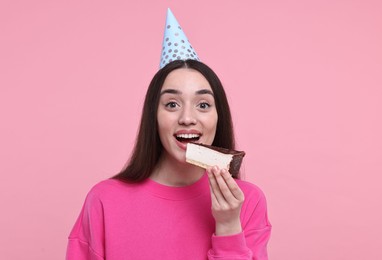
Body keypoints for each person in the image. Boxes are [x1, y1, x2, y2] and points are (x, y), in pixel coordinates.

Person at [66, 9, 271, 260]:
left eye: (203, 105)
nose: (187, 118)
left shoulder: (247, 202)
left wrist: (228, 226)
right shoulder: (104, 200)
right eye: (172, 104)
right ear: (154, 116)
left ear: (219, 117)